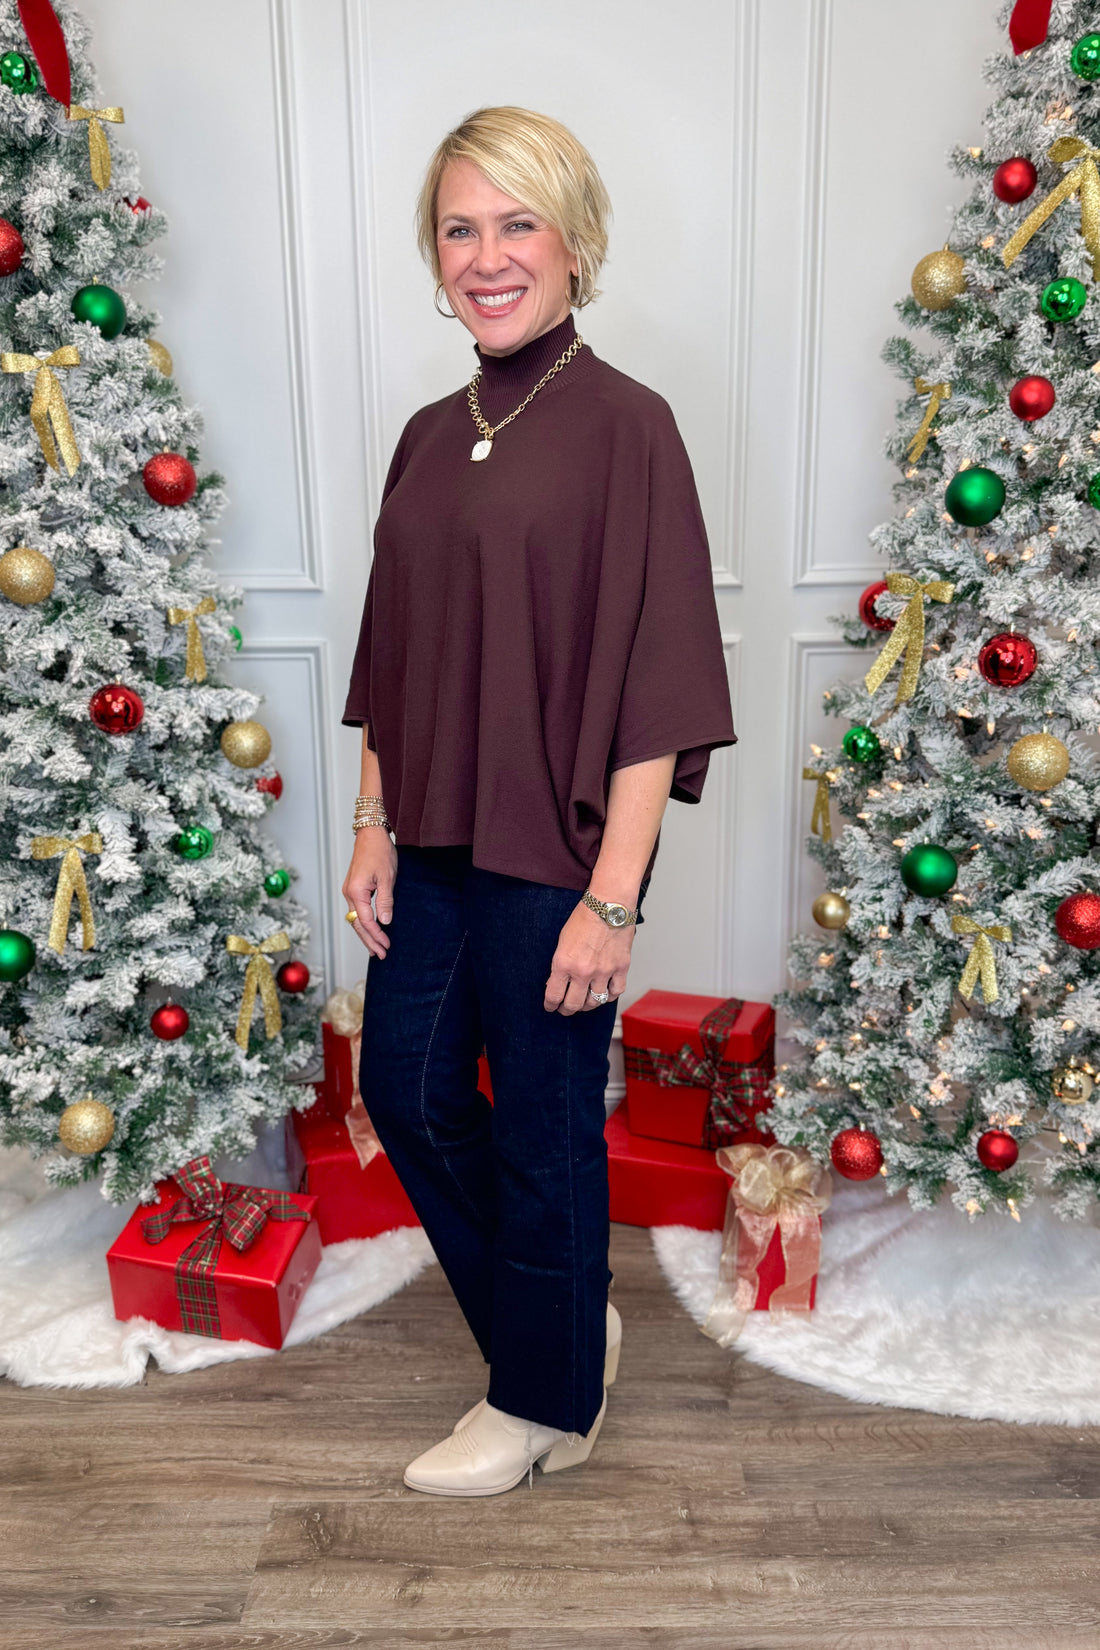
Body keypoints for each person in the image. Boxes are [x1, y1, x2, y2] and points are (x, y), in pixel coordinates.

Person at [340, 105, 737, 1498]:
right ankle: (563, 1327)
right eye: (461, 227)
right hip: (432, 830)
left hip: (559, 849)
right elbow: (391, 651)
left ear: (574, 243)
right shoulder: (424, 437)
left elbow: (658, 674)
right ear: (435, 255)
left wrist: (612, 896)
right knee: (407, 1084)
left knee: (545, 1124)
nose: (488, 255)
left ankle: (540, 1400)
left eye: (518, 223)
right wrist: (372, 821)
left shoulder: (631, 427)